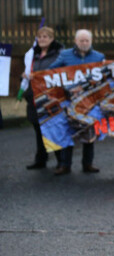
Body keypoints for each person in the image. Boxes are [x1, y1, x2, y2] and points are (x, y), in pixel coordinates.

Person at [49, 29, 106, 175]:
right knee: (67, 131)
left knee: (88, 131)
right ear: (75, 41)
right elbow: (50, 72)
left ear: (91, 41)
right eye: (81, 40)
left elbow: (105, 77)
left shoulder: (99, 57)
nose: (84, 43)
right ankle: (65, 165)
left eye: (87, 40)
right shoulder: (64, 55)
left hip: (89, 101)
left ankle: (88, 164)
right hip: (68, 99)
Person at [24, 26, 64, 170]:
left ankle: (62, 161)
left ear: (52, 39)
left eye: (45, 37)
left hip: (51, 97)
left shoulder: (59, 54)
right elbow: (29, 71)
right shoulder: (33, 55)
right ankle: (41, 159)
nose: (42, 39)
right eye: (39, 37)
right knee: (38, 130)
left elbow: (61, 72)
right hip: (35, 96)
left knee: (53, 129)